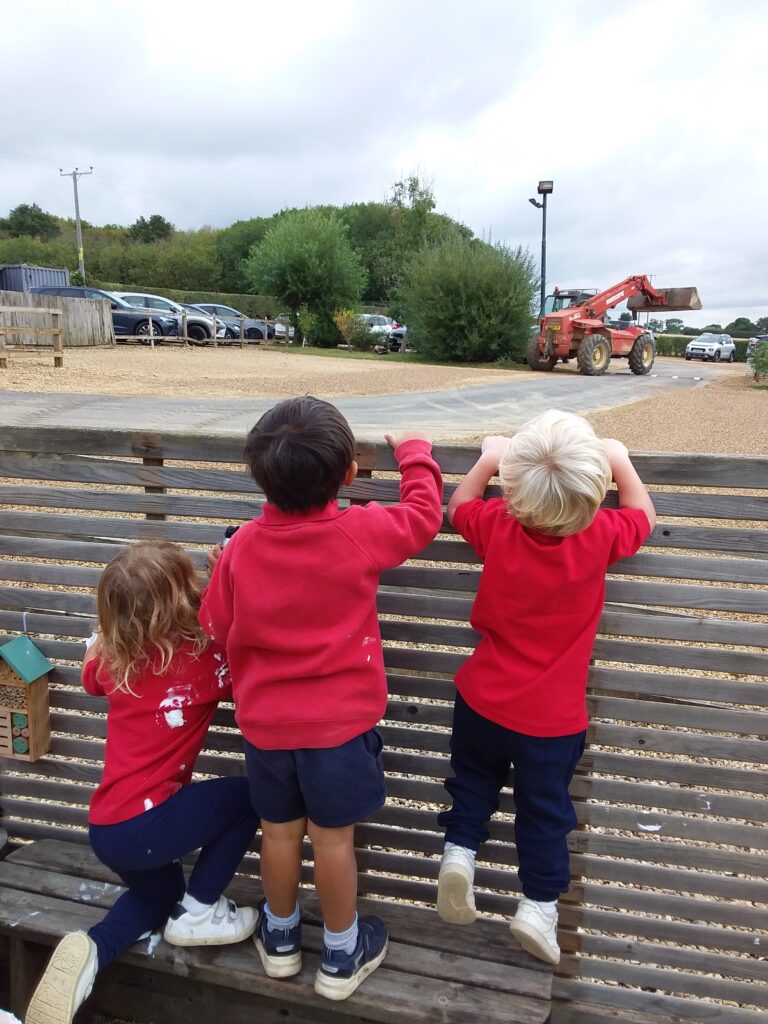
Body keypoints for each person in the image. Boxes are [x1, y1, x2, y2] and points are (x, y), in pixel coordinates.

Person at [200, 395, 443, 1001]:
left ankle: (280, 942)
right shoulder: (359, 530)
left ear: (259, 474)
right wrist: (415, 455)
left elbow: (216, 627)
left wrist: (221, 570)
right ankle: (340, 954)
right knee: (333, 840)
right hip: (339, 729)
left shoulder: (244, 549)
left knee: (278, 834)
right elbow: (421, 517)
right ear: (349, 475)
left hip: (266, 728)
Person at [435, 410, 656, 965]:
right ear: (593, 488)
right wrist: (621, 458)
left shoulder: (499, 523)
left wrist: (487, 457)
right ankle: (537, 908)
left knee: (474, 783)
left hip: (481, 701)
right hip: (551, 723)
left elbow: (457, 507)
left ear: (511, 488)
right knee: (544, 812)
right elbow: (644, 515)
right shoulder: (601, 533)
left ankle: (459, 854)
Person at [26, 541, 260, 1024]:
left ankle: (91, 948)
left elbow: (91, 674)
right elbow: (246, 661)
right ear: (182, 597)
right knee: (251, 797)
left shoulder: (113, 662)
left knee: (156, 897)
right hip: (150, 823)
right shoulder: (205, 662)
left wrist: (104, 638)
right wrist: (228, 584)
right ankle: (200, 910)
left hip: (109, 828)